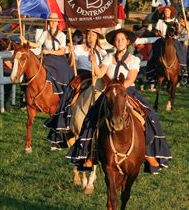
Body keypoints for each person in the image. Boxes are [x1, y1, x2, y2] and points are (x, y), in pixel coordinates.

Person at [66, 28, 172, 174]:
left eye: (122, 39)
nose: (119, 42)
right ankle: (90, 153)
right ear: (114, 43)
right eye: (117, 40)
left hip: (127, 91)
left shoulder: (134, 59)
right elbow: (100, 73)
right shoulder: (108, 58)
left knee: (149, 115)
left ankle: (148, 153)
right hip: (109, 92)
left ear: (127, 42)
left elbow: (130, 79)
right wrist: (94, 63)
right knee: (91, 116)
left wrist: (118, 88)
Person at [45, 28, 106, 150]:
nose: (90, 37)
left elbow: (102, 70)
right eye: (88, 34)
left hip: (95, 77)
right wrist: (71, 54)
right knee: (68, 98)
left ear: (97, 37)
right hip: (81, 76)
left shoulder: (102, 52)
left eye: (93, 35)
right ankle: (60, 134)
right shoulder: (78, 48)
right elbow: (71, 65)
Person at [20, 13, 74, 95]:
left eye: (54, 21)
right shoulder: (45, 33)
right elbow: (37, 44)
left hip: (58, 58)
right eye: (51, 21)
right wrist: (26, 41)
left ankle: (60, 89)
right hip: (46, 57)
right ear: (49, 22)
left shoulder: (61, 35)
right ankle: (26, 90)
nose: (52, 23)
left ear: (57, 23)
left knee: (64, 71)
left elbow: (62, 51)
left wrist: (49, 52)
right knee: (34, 68)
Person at [146, 6, 188, 86]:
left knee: (181, 50)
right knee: (154, 49)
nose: (166, 12)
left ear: (170, 12)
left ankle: (183, 69)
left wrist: (176, 33)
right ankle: (152, 71)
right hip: (163, 39)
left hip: (173, 39)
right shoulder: (160, 21)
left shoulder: (175, 21)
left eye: (168, 11)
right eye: (165, 11)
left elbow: (178, 32)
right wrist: (157, 33)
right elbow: (157, 32)